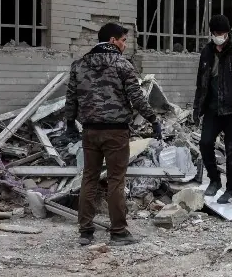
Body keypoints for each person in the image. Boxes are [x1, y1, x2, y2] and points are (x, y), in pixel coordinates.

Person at [66, 23, 162, 246]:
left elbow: (71, 98)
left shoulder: (79, 65)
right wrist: (153, 120)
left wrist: (70, 123)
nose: (124, 45)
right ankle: (118, 232)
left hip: (90, 131)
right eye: (123, 40)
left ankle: (85, 232)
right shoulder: (122, 65)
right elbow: (137, 99)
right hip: (116, 132)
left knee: (89, 178)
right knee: (116, 181)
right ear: (112, 41)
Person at [193, 15, 232, 204]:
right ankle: (214, 180)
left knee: (231, 148)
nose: (219, 37)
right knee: (205, 143)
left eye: (222, 33)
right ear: (211, 33)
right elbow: (201, 82)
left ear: (228, 33)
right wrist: (197, 108)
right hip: (212, 108)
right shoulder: (207, 52)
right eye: (216, 33)